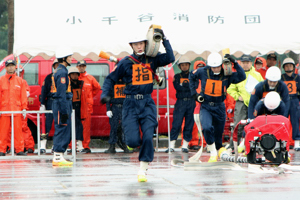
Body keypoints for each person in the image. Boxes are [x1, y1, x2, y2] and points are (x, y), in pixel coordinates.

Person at [101, 28, 175, 182]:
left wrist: (164, 39)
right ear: (132, 46)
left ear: (146, 43)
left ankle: (143, 169)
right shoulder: (125, 63)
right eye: (136, 44)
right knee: (132, 141)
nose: (139, 46)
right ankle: (138, 149)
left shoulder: (153, 59)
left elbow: (170, 57)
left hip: (147, 102)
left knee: (148, 136)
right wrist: (106, 94)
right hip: (130, 103)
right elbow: (110, 79)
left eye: (141, 43)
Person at [189, 53, 246, 162]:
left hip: (219, 107)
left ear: (221, 65)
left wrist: (234, 63)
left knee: (218, 136)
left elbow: (242, 76)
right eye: (213, 67)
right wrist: (194, 94)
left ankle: (219, 150)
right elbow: (192, 75)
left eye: (217, 67)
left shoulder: (227, 74)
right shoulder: (203, 71)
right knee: (206, 127)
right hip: (206, 106)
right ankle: (213, 152)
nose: (215, 69)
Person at [227, 54, 264, 150]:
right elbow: (230, 89)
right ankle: (233, 147)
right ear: (240, 63)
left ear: (251, 63)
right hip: (241, 103)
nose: (245, 64)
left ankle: (254, 146)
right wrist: (237, 96)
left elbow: (263, 88)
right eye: (243, 62)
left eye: (247, 62)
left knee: (255, 125)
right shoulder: (237, 74)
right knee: (238, 126)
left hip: (255, 103)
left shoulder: (257, 75)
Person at [166, 56, 196, 153]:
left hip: (191, 102)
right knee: (176, 123)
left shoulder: (193, 76)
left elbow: (194, 87)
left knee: (189, 124)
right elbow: (177, 87)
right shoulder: (177, 76)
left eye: (186, 65)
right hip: (180, 102)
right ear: (179, 67)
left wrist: (183, 86)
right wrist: (187, 86)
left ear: (189, 65)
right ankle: (171, 145)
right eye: (182, 65)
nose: (184, 67)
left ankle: (185, 145)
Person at [0, 59, 27, 156]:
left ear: (15, 66)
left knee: (18, 131)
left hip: (17, 110)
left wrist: (24, 108)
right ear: (6, 67)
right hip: (4, 110)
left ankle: (19, 149)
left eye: (12, 65)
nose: (11, 67)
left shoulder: (20, 81)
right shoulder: (1, 80)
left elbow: (23, 95)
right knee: (3, 132)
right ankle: (1, 150)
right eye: (9, 66)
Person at [51, 47, 73, 166]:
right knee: (62, 128)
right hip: (62, 103)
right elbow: (61, 93)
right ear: (64, 58)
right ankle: (58, 156)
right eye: (69, 56)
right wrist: (64, 110)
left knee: (64, 128)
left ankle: (60, 155)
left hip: (61, 102)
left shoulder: (60, 70)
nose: (71, 58)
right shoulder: (62, 72)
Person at [77, 60, 101, 153]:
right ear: (77, 67)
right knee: (74, 125)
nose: (81, 67)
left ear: (85, 67)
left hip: (86, 106)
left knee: (86, 127)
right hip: (77, 105)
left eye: (83, 66)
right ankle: (73, 145)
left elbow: (97, 87)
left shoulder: (90, 78)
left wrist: (89, 96)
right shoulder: (74, 77)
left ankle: (85, 145)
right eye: (80, 66)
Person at [105, 79, 131, 153]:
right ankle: (112, 146)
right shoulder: (112, 83)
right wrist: (108, 109)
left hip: (124, 107)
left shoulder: (127, 82)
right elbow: (108, 97)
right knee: (113, 127)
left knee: (125, 127)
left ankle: (125, 146)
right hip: (115, 107)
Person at [39, 59, 59, 154]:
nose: (58, 67)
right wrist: (42, 103)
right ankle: (43, 145)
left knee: (58, 124)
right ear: (53, 66)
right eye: (56, 65)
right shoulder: (48, 78)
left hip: (60, 101)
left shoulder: (64, 77)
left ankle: (56, 145)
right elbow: (43, 91)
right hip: (50, 102)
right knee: (47, 125)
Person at [281, 58, 300, 151]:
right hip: (284, 101)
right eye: (286, 65)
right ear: (284, 67)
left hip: (294, 100)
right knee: (282, 120)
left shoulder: (298, 77)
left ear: (293, 67)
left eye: (290, 65)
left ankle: (297, 141)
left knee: (295, 121)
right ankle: (282, 140)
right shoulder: (281, 78)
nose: (288, 67)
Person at [68, 67, 87, 152]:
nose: (74, 76)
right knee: (70, 126)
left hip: (79, 107)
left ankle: (79, 144)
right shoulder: (68, 84)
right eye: (72, 74)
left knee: (79, 126)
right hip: (71, 107)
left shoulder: (81, 83)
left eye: (76, 74)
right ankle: (72, 145)